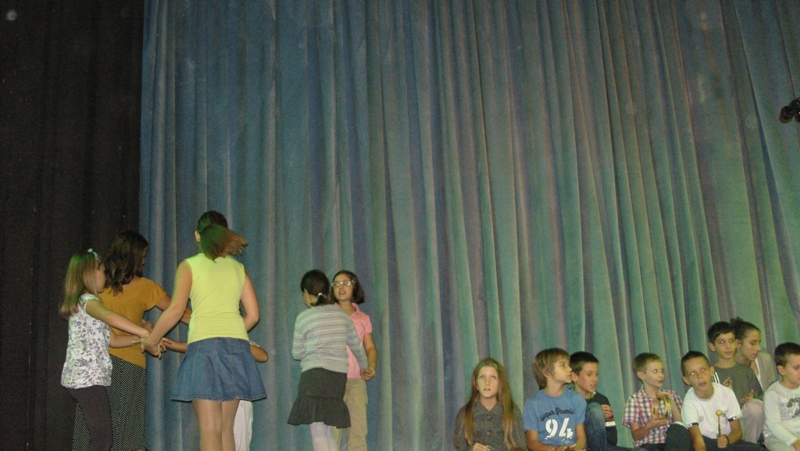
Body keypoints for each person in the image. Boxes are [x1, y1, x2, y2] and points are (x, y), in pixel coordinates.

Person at [142, 214, 266, 451]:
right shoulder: (238, 268)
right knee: (226, 429)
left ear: (197, 235)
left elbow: (176, 309)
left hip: (205, 349)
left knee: (210, 429)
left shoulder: (189, 265)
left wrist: (151, 340)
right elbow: (253, 316)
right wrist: (229, 330)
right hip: (237, 349)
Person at [71, 230, 190, 451]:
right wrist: (146, 334)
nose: (144, 261)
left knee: (114, 433)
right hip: (104, 368)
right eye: (142, 256)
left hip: (115, 364)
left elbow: (179, 313)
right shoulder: (97, 290)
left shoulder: (137, 288)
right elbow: (180, 312)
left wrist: (145, 335)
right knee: (118, 433)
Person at [60, 250, 151, 451]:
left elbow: (114, 340)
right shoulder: (88, 301)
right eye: (102, 270)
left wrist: (142, 339)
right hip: (86, 379)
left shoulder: (87, 303)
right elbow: (110, 317)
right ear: (89, 274)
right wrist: (143, 332)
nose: (106, 274)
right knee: (103, 439)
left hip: (87, 380)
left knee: (101, 437)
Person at [288, 270, 368, 451]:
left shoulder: (304, 317)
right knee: (328, 432)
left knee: (318, 431)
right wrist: (364, 366)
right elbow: (357, 346)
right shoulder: (342, 316)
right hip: (337, 379)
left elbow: (297, 353)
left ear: (307, 293)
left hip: (313, 377)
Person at [162, 338, 268, 451]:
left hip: (232, 391)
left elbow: (263, 355)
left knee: (219, 432)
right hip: (217, 383)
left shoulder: (235, 338)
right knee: (220, 431)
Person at [330, 270, 378, 451]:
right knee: (332, 433)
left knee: (358, 432)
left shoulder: (363, 318)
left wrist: (371, 366)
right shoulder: (328, 313)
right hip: (334, 380)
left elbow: (370, 348)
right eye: (336, 284)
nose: (340, 287)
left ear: (355, 287)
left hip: (357, 381)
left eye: (345, 283)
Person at [680, 351, 762, 450]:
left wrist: (727, 440)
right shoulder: (689, 404)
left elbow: (737, 431)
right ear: (686, 380)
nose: (699, 376)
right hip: (706, 444)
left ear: (711, 371)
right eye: (693, 373)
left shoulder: (726, 393)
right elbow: (698, 441)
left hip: (728, 442)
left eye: (703, 370)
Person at [707, 321, 764, 443]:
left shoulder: (747, 372)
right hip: (724, 424)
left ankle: (751, 445)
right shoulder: (709, 374)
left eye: (731, 341)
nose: (728, 346)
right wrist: (723, 395)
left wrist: (752, 398)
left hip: (746, 424)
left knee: (755, 406)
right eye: (722, 342)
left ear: (737, 343)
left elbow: (762, 398)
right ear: (712, 346)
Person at [453, 357, 525, 451]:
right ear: (476, 384)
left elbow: (520, 447)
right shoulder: (465, 413)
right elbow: (459, 446)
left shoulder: (512, 412)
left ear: (500, 384)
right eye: (482, 377)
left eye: (493, 377)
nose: (487, 382)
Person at [622, 352, 690, 450]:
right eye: (655, 371)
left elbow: (681, 425)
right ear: (641, 375)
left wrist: (671, 402)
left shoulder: (672, 395)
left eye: (662, 371)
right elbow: (636, 435)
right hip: (649, 445)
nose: (661, 375)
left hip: (672, 444)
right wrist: (649, 426)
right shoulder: (635, 400)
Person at [522, 347, 587, 451]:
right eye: (563, 365)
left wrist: (575, 449)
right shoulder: (532, 404)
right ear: (547, 372)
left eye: (568, 364)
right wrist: (553, 449)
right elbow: (532, 443)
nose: (570, 369)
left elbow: (581, 437)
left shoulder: (576, 399)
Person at [569, 351, 630, 451]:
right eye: (589, 374)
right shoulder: (564, 400)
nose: (595, 379)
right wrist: (593, 418)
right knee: (595, 410)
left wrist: (600, 422)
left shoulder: (602, 399)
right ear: (574, 376)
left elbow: (612, 440)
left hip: (601, 448)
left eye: (596, 374)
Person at [762, 342, 800, 451]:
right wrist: (795, 442)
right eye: (796, 368)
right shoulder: (772, 394)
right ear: (782, 370)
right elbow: (774, 425)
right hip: (778, 438)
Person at [731, 317, 778, 391]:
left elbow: (773, 390)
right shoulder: (727, 366)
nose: (758, 348)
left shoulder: (765, 359)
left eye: (759, 342)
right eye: (752, 343)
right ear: (738, 343)